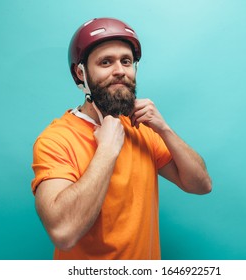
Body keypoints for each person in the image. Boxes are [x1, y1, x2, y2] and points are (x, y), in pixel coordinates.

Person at [31, 17, 212, 260]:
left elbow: (201, 185)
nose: (119, 71)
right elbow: (63, 233)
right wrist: (107, 150)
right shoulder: (56, 139)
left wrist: (164, 130)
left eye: (126, 61)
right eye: (106, 62)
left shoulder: (142, 128)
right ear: (80, 73)